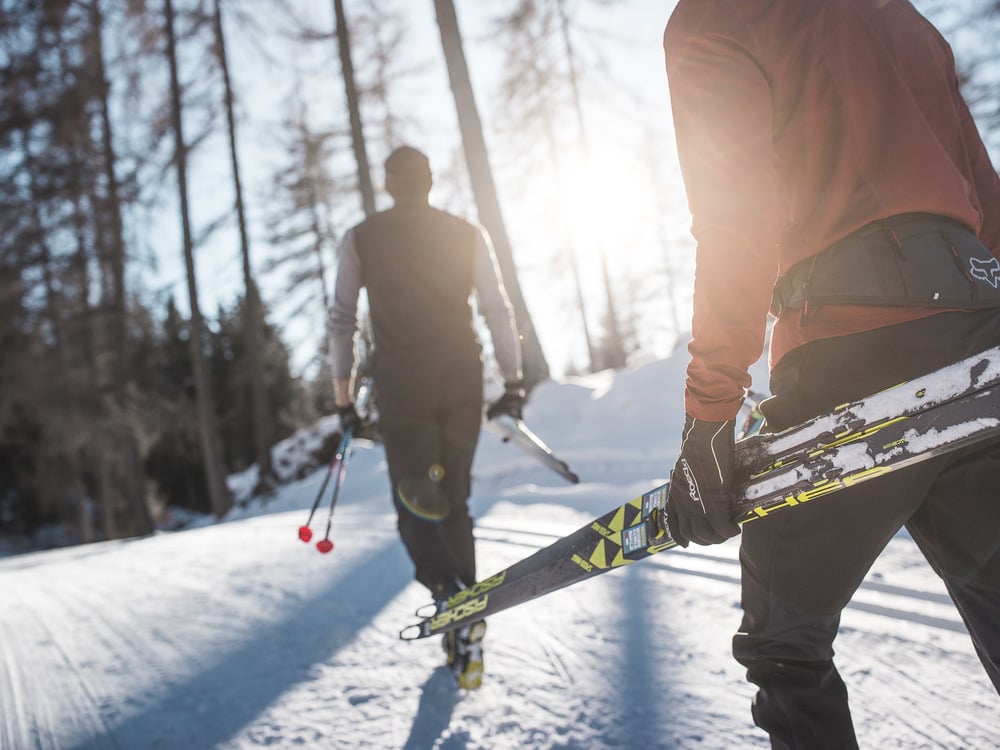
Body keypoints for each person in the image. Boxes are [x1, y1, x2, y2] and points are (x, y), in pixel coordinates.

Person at [662, 1, 1000, 747]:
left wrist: (709, 416)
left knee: (785, 642)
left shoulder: (715, 16)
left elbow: (735, 218)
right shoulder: (901, 16)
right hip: (981, 329)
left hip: (854, 345)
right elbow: (985, 191)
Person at [328, 145, 525, 690]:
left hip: (402, 385)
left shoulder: (361, 237)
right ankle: (464, 616)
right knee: (454, 500)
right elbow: (496, 307)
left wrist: (344, 401)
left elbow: (342, 320)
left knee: (418, 507)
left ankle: (454, 601)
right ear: (431, 181)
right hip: (461, 377)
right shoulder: (466, 232)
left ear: (389, 184)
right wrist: (512, 382)